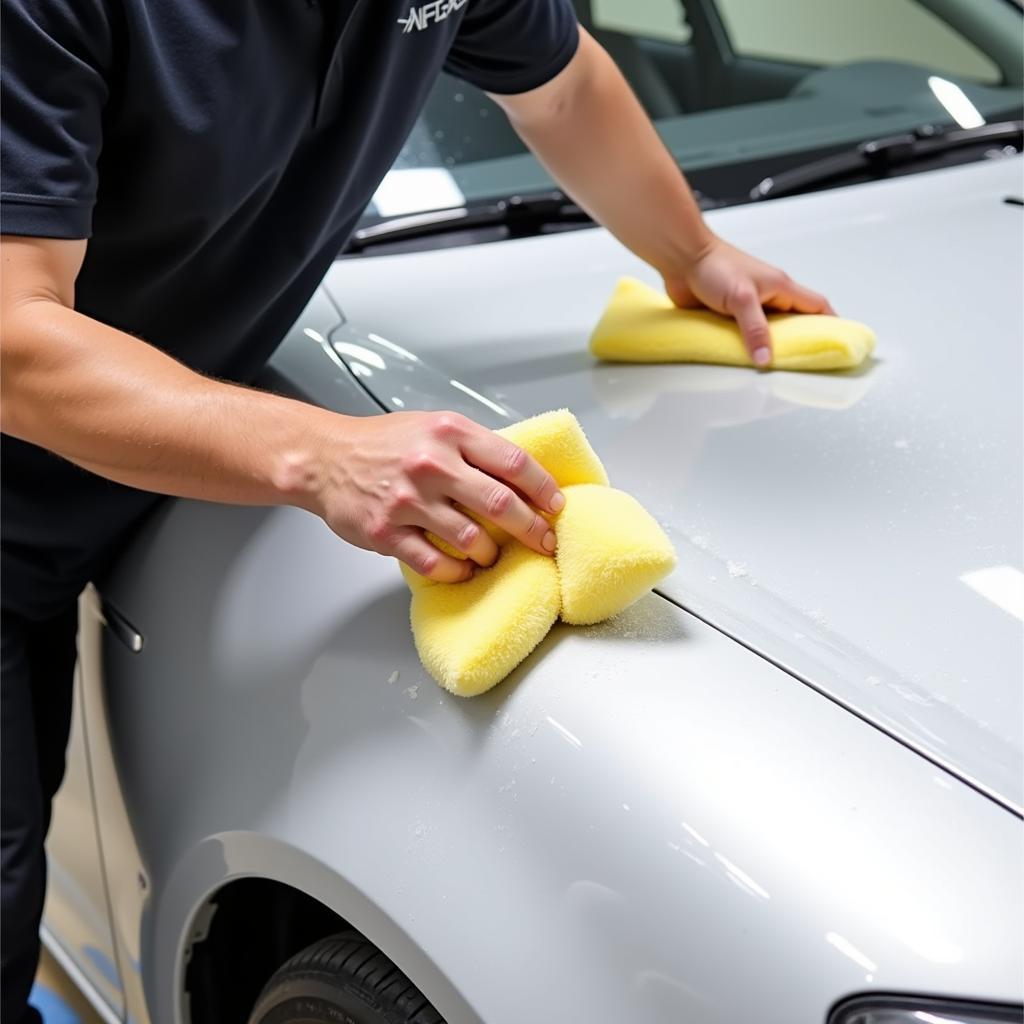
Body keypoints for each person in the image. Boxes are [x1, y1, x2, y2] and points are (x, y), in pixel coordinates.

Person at [0, 1, 833, 1018]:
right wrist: (318, 452)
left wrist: (690, 252)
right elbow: (12, 341)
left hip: (98, 488)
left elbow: (564, 85)